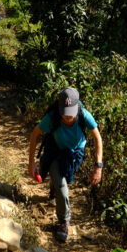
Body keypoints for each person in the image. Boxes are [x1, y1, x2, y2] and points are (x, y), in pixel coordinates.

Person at [28, 86, 103, 243]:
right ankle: (64, 221)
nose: (67, 118)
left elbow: (98, 139)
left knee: (65, 176)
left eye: (71, 114)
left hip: (75, 153)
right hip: (55, 151)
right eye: (65, 114)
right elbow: (34, 135)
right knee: (62, 187)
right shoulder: (53, 116)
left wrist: (98, 167)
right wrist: (31, 163)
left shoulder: (84, 116)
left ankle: (54, 187)